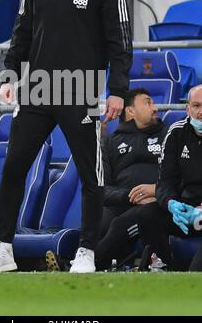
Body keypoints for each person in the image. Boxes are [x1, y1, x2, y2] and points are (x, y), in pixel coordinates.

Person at [0, 0, 132, 273]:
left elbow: (120, 41)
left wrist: (117, 90)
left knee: (89, 173)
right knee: (13, 166)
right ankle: (3, 249)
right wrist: (9, 75)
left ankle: (87, 252)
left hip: (81, 89)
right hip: (37, 88)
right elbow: (22, 31)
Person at [46, 88, 168, 271]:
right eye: (148, 102)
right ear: (130, 110)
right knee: (98, 218)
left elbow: (179, 175)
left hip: (155, 202)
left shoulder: (169, 136)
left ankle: (84, 266)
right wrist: (130, 196)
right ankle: (82, 260)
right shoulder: (109, 143)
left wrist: (157, 192)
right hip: (123, 202)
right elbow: (100, 188)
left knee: (120, 225)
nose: (156, 108)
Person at [136, 84, 202, 271]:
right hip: (186, 211)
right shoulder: (176, 133)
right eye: (196, 106)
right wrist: (172, 204)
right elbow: (165, 182)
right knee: (147, 215)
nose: (200, 112)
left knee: (196, 272)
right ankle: (167, 268)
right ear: (187, 108)